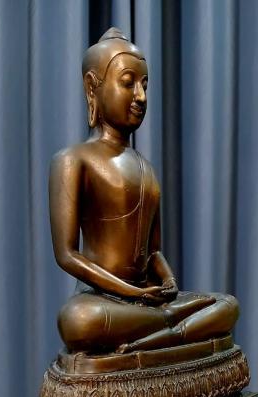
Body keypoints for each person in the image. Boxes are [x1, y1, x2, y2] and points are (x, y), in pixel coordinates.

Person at [49, 28, 239, 354]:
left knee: (227, 304)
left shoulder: (145, 168)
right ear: (93, 87)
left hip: (148, 299)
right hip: (104, 300)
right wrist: (130, 293)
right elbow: (67, 255)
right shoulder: (73, 160)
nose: (140, 96)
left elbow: (152, 252)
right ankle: (171, 329)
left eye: (145, 85)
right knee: (77, 320)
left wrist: (169, 281)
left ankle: (159, 332)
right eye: (128, 83)